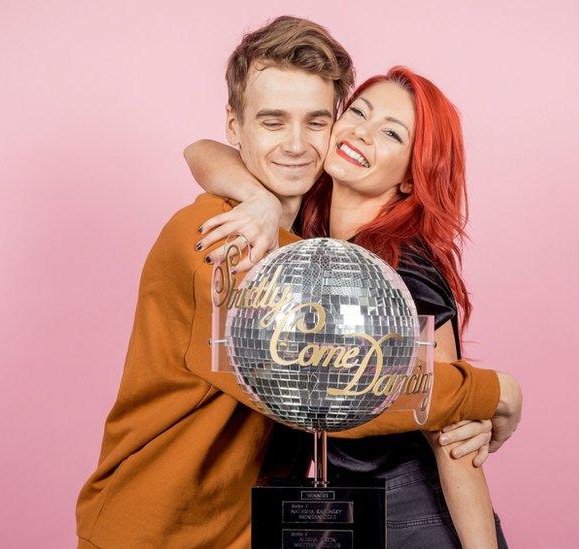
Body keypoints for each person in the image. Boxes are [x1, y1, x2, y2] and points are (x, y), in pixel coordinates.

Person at [76, 16, 521, 549]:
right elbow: (346, 391)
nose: (295, 144)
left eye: (315, 122)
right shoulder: (223, 243)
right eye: (271, 121)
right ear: (234, 126)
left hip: (255, 530)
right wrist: (498, 392)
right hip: (156, 534)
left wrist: (261, 197)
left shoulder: (318, 250)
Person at [184, 66, 518, 548]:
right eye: (358, 112)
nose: (362, 131)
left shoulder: (403, 268)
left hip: (412, 515)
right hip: (340, 512)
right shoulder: (311, 238)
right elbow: (200, 151)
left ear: (411, 177)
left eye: (390, 133)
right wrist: (259, 200)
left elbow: (450, 423)